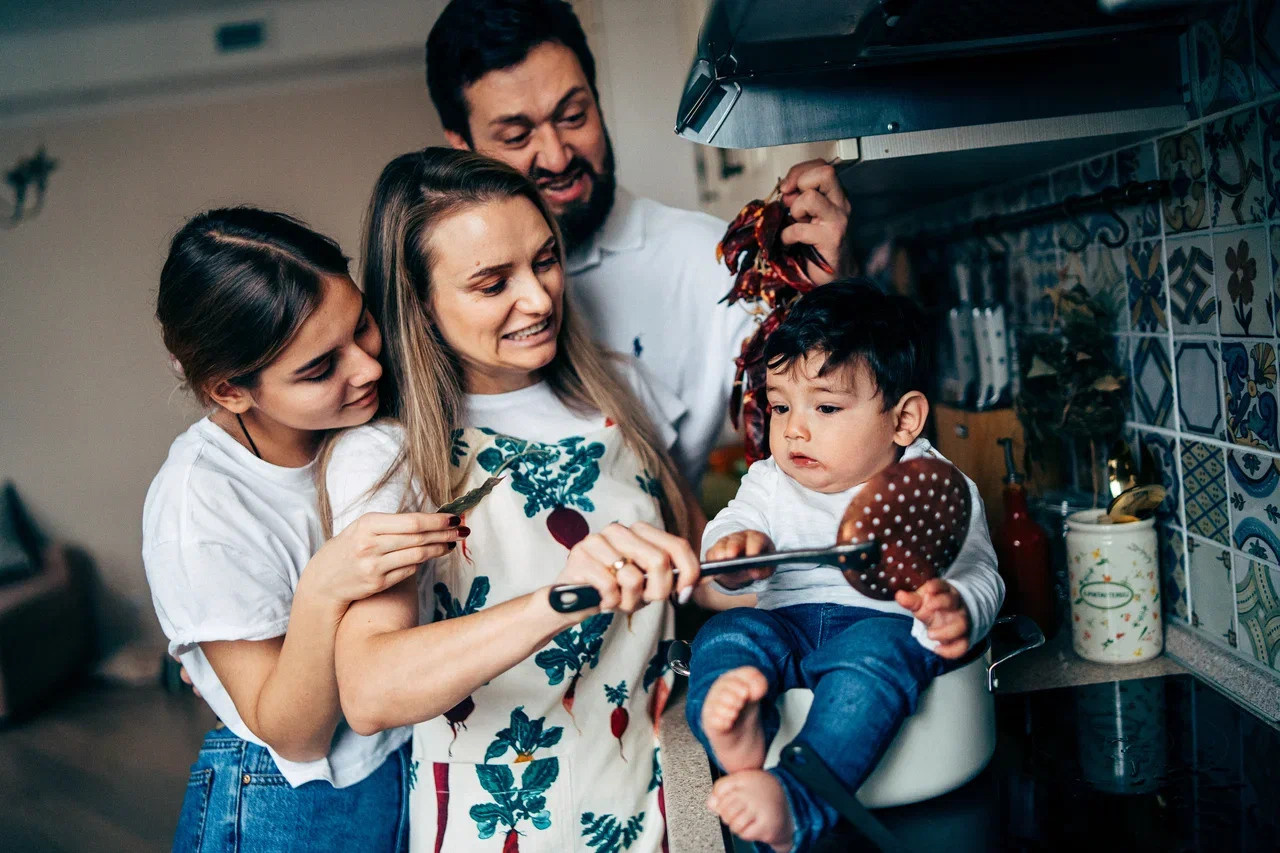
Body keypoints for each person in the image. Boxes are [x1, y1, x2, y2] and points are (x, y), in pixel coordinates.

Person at [322, 147, 720, 853]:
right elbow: (370, 686)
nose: (538, 298)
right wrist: (562, 596)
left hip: (665, 818)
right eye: (490, 282)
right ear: (420, 301)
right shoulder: (393, 455)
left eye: (543, 260)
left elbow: (708, 574)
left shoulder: (617, 393)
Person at [142, 208, 466, 852]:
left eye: (361, 326)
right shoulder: (197, 508)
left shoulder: (369, 418)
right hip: (284, 802)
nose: (368, 368)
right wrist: (322, 589)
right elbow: (292, 733)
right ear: (231, 390)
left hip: (408, 762)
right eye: (320, 369)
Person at [425, 0, 853, 485]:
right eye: (518, 135)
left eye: (572, 115)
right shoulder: (434, 294)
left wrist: (827, 297)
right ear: (461, 144)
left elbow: (822, 421)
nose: (557, 156)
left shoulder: (708, 259)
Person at [683, 281, 1005, 852]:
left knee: (879, 650)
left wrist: (957, 608)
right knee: (728, 632)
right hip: (785, 630)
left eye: (826, 407)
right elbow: (724, 537)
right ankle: (739, 735)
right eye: (781, 406)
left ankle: (797, 799)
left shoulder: (935, 492)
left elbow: (983, 575)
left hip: (874, 632)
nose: (794, 429)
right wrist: (732, 556)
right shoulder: (768, 483)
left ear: (903, 420)